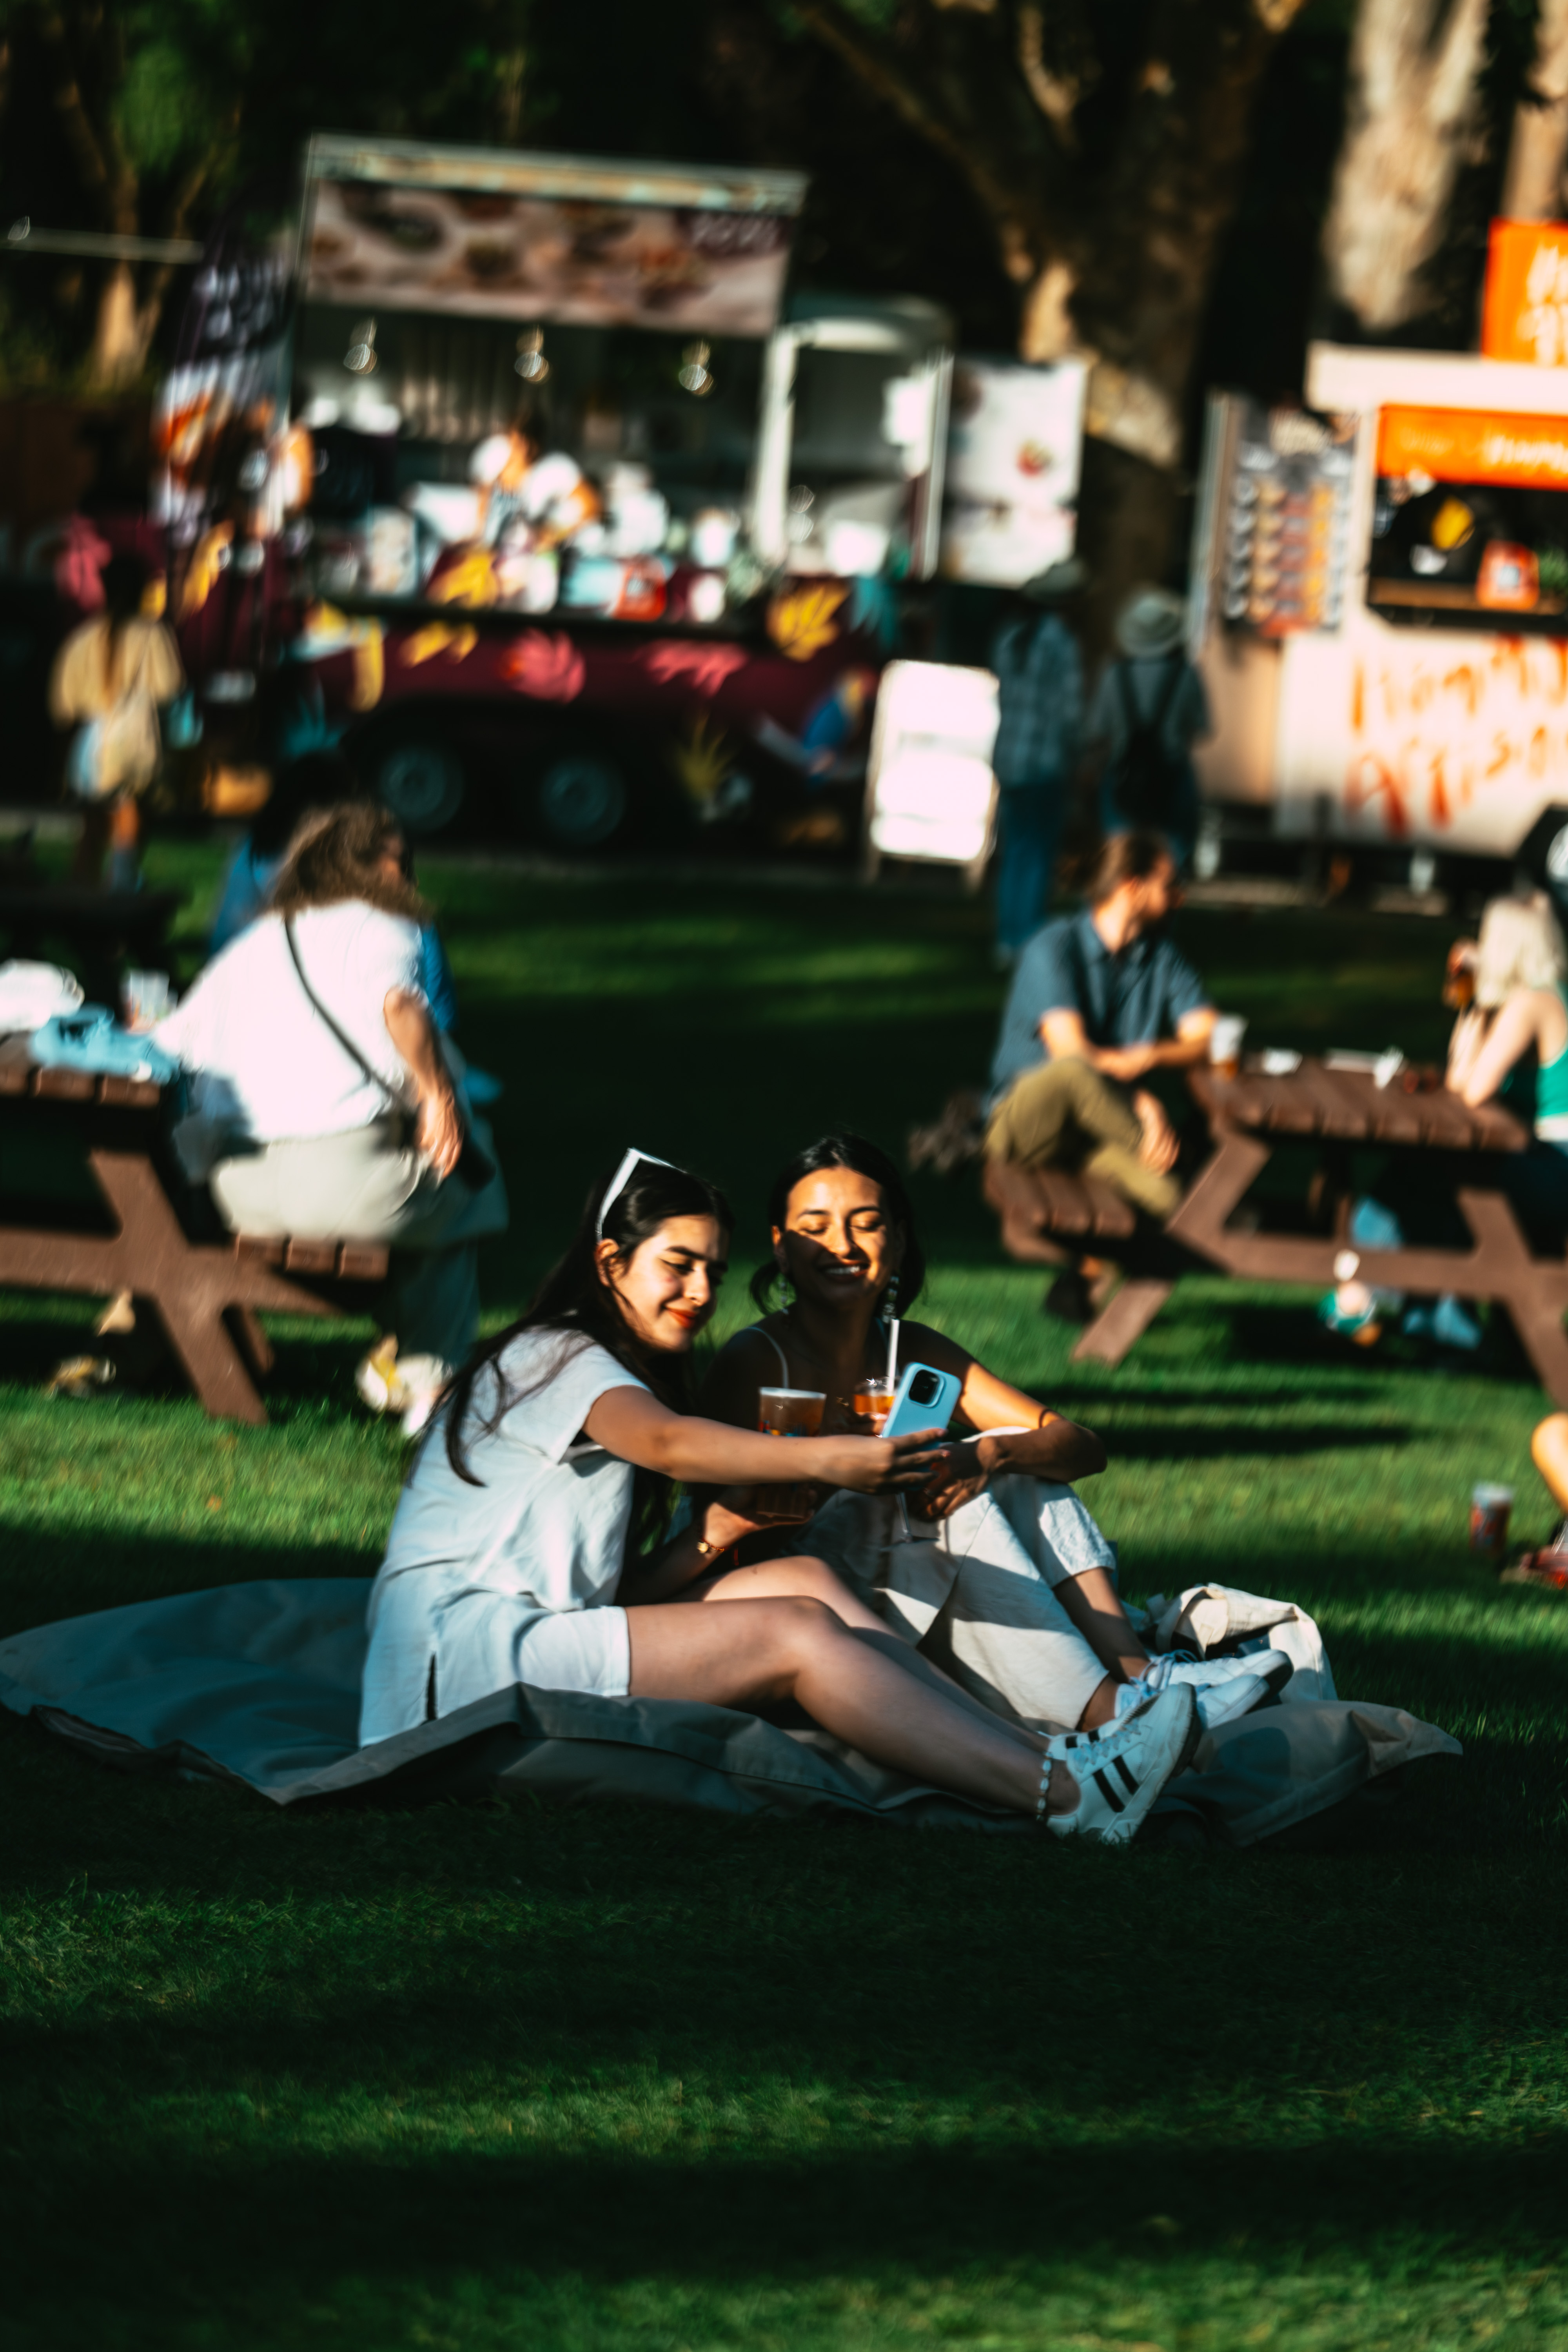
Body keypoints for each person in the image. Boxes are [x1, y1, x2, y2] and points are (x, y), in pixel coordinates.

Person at [357, 1149, 1201, 1842]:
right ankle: (1064, 1795)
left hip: (528, 1636)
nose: (699, 1293)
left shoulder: (600, 1365)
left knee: (802, 1582)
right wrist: (836, 1460)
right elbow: (670, 1444)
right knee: (792, 1632)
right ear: (610, 1262)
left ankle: (1036, 1754)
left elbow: (610, 1594)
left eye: (712, 1272)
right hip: (453, 1667)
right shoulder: (560, 1353)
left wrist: (716, 1535)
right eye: (677, 1266)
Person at [698, 1133, 1286, 1740]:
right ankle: (1115, 1714)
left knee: (1010, 1459)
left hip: (892, 1570)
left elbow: (1081, 1446)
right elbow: (725, 1532)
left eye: (865, 1224)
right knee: (952, 1498)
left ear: (897, 1241)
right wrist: (839, 1472)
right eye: (815, 1227)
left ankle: (1142, 1674)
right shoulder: (757, 1360)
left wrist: (988, 1453)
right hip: (802, 1597)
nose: (842, 1245)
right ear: (782, 1247)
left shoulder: (912, 1349)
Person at [154, 799, 508, 1433]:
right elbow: (399, 1004)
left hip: (240, 1190)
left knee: (428, 1182)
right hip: (340, 1183)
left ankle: (405, 1359)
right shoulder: (387, 923)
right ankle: (430, 1380)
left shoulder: (257, 942)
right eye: (402, 860)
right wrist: (437, 1095)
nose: (411, 876)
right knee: (466, 1178)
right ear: (371, 864)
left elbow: (172, 1042)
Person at [986, 830, 1216, 1316]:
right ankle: (1188, 1167)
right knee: (1072, 1073)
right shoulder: (1052, 948)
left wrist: (1149, 1057)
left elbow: (1208, 1037)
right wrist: (1142, 1103)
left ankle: (1088, 1269)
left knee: (1168, 1195)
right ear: (1132, 886)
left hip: (1094, 1136)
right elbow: (1071, 1053)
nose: (1180, 896)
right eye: (1170, 884)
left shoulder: (1161, 958)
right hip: (1028, 1125)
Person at [48, 551, 184, 891]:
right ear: (142, 591)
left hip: (89, 749)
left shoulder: (82, 638)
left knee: (92, 828)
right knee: (127, 817)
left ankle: (79, 892)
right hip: (134, 745)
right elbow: (170, 690)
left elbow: (63, 708)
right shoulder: (152, 635)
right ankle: (122, 887)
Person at [988, 559, 1087, 968]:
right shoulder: (1062, 643)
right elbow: (1070, 713)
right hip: (1046, 761)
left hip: (1009, 757)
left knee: (1014, 850)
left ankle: (1007, 936)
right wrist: (1080, 753)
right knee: (1039, 853)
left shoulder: (1011, 638)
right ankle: (1028, 940)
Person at [1086, 586, 1210, 869]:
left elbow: (1097, 730)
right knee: (1171, 855)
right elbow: (1202, 728)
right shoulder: (1186, 673)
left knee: (1120, 856)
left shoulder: (1114, 673)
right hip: (1171, 773)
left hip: (1122, 772)